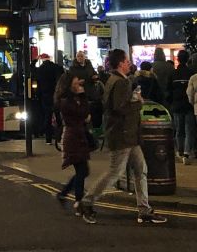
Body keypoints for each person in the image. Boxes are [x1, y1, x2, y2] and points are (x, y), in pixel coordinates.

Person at [81, 49, 167, 224]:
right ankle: (87, 202)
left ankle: (144, 210)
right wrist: (138, 103)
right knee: (115, 172)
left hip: (128, 135)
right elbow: (119, 108)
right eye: (127, 61)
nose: (129, 63)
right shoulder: (120, 82)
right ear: (120, 63)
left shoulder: (116, 80)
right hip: (122, 135)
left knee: (141, 170)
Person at [54, 72, 92, 218]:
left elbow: (84, 113)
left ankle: (63, 194)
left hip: (78, 136)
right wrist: (83, 97)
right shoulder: (65, 101)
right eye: (75, 84)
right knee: (82, 171)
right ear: (69, 85)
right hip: (73, 138)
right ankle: (78, 202)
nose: (78, 86)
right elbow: (82, 113)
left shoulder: (71, 99)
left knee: (83, 171)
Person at [170, 49, 195, 164]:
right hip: (189, 106)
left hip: (176, 105)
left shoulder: (173, 74)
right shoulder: (191, 73)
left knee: (179, 129)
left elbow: (168, 90)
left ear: (177, 59)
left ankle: (179, 151)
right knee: (189, 130)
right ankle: (186, 152)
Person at [36, 53, 63, 144]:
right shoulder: (56, 67)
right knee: (58, 116)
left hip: (45, 96)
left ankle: (48, 139)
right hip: (56, 95)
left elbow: (37, 83)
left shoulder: (40, 70)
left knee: (47, 117)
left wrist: (34, 60)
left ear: (42, 59)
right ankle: (59, 137)